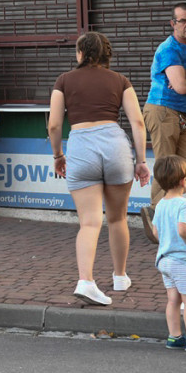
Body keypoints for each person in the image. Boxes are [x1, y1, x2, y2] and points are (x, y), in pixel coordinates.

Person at [48, 32, 149, 305]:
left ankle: (86, 281)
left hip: (81, 146)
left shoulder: (64, 80)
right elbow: (138, 123)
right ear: (107, 55)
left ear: (80, 53)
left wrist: (58, 154)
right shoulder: (120, 80)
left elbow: (55, 125)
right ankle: (120, 276)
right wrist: (140, 160)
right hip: (115, 145)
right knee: (117, 218)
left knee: (90, 221)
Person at [140, 3, 186, 242]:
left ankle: (165, 215)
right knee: (166, 167)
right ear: (173, 24)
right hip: (162, 110)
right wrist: (183, 79)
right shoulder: (168, 49)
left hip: (181, 114)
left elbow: (183, 83)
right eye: (182, 21)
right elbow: (181, 87)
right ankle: (157, 223)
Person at [149, 154, 186, 350]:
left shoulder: (161, 204)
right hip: (182, 260)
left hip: (164, 259)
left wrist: (168, 242)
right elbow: (184, 230)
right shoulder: (184, 204)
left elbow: (155, 232)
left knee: (173, 300)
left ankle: (174, 336)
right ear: (183, 181)